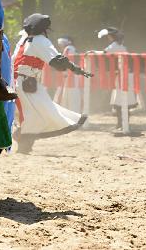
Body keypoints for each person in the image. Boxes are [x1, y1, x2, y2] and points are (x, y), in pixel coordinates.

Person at [13, 14, 89, 154]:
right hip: (24, 84)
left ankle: (22, 140)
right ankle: (22, 141)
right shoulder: (41, 41)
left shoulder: (23, 39)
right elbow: (57, 62)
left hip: (21, 83)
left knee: (41, 112)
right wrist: (75, 69)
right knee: (35, 114)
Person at [97, 27, 137, 131]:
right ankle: (121, 123)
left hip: (123, 75)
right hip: (122, 75)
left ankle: (122, 124)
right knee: (121, 101)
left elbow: (104, 53)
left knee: (121, 101)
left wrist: (93, 52)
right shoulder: (120, 45)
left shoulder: (114, 46)